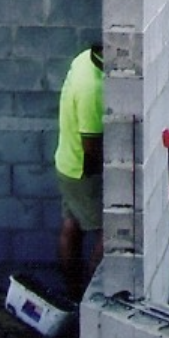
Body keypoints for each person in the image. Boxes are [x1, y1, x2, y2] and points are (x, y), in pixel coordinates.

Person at [54, 42, 104, 301]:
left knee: (72, 225)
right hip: (83, 173)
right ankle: (90, 298)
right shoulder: (93, 89)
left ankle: (73, 294)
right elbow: (92, 147)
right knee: (111, 234)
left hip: (66, 162)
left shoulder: (83, 58)